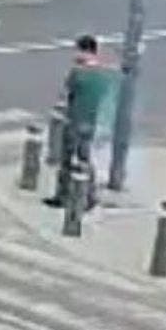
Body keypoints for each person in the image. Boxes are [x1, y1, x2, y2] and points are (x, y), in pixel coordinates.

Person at [45, 34, 120, 209]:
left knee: (67, 159)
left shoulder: (78, 73)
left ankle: (62, 195)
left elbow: (66, 96)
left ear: (85, 51)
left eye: (78, 50)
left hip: (74, 120)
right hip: (91, 122)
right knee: (85, 159)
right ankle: (90, 195)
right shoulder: (103, 74)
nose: (75, 54)